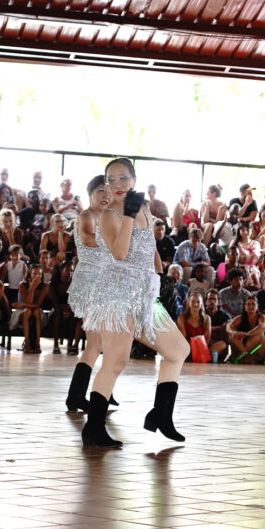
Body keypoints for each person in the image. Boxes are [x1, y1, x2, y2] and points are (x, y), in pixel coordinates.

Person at [80, 158, 189, 447]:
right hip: (115, 295)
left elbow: (149, 247)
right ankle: (93, 428)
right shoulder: (109, 215)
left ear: (134, 180)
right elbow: (119, 253)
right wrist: (127, 216)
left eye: (123, 178)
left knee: (178, 349)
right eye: (111, 180)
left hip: (144, 296)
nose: (116, 185)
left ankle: (160, 415)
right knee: (115, 361)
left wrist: (159, 277)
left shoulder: (143, 208)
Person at [13, 265, 49, 353]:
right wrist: (32, 288)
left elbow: (37, 305)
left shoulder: (44, 286)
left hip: (37, 311)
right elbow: (28, 304)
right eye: (34, 273)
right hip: (22, 312)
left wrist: (21, 304)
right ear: (29, 275)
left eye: (40, 274)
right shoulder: (22, 285)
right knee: (28, 311)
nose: (37, 276)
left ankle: (37, 343)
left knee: (36, 311)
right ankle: (27, 343)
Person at [225, 295, 265, 363]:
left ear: (257, 306)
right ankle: (246, 355)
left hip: (256, 349)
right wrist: (235, 333)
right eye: (248, 304)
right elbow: (228, 327)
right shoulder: (240, 318)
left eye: (253, 304)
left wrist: (247, 334)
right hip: (242, 347)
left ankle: (243, 356)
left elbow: (263, 327)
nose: (250, 306)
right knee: (232, 335)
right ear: (244, 307)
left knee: (260, 334)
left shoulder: (262, 317)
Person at [177, 290, 211, 357]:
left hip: (202, 347)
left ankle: (201, 354)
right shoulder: (182, 318)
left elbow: (207, 338)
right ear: (189, 303)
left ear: (201, 304)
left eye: (198, 302)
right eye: (193, 302)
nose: (195, 304)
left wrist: (200, 349)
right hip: (187, 348)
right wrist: (193, 350)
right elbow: (183, 338)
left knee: (222, 344)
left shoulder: (207, 318)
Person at [204, 289, 231, 361]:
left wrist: (209, 329)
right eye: (210, 299)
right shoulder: (201, 314)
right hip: (204, 343)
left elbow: (229, 326)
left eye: (214, 299)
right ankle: (207, 355)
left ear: (218, 302)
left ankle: (204, 355)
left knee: (222, 344)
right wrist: (219, 328)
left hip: (218, 345)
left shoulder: (224, 316)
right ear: (206, 302)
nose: (212, 301)